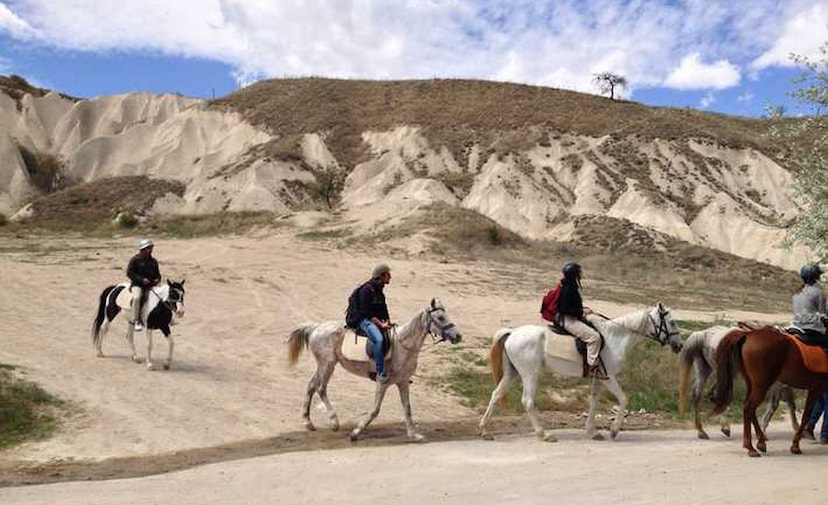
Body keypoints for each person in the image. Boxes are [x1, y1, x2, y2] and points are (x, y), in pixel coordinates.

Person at [557, 262, 607, 380]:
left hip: (573, 317)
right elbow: (564, 309)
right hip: (569, 320)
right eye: (579, 272)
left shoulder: (571, 285)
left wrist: (583, 309)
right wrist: (582, 312)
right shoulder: (569, 288)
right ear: (575, 274)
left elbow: (572, 305)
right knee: (594, 337)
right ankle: (592, 368)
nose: (581, 274)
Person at [354, 264, 393, 384]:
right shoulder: (366, 290)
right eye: (388, 274)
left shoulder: (379, 290)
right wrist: (380, 324)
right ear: (382, 276)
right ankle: (380, 373)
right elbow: (366, 313)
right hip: (364, 320)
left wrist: (388, 321)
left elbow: (383, 308)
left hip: (375, 319)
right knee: (378, 339)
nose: (390, 277)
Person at [126, 238, 161, 332]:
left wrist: (157, 279)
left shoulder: (153, 261)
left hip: (150, 285)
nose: (150, 250)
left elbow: (158, 274)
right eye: (148, 248)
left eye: (151, 247)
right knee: (137, 297)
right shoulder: (135, 260)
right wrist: (141, 280)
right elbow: (129, 273)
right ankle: (136, 320)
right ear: (143, 249)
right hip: (137, 285)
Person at [791, 264, 827, 349]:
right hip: (811, 329)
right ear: (816, 277)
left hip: (796, 326)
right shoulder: (818, 292)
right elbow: (824, 315)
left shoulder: (797, 292)